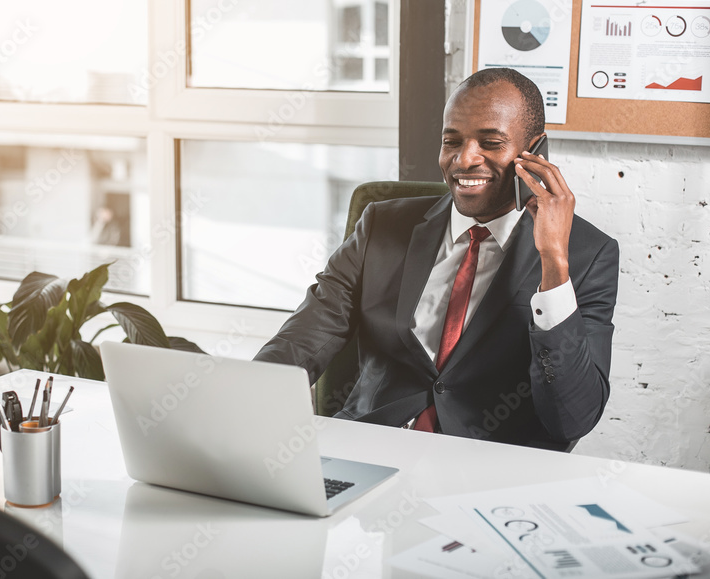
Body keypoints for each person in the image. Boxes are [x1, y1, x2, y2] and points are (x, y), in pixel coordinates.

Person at [253, 68, 619, 451]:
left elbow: (571, 419)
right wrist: (237, 404)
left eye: (491, 143)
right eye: (452, 141)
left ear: (535, 151)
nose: (464, 160)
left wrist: (553, 262)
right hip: (369, 451)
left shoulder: (586, 255)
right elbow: (301, 340)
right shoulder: (382, 225)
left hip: (490, 473)